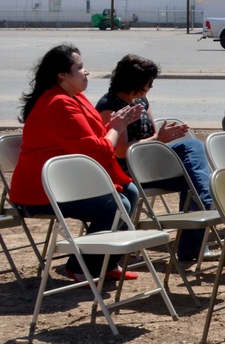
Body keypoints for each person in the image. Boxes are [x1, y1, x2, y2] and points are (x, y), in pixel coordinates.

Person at [10, 43, 143, 282]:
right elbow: (95, 149)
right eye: (80, 67)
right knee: (114, 204)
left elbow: (92, 140)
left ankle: (105, 262)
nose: (87, 72)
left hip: (68, 183)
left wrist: (114, 127)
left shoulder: (73, 97)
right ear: (62, 75)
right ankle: (81, 266)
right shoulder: (58, 103)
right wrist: (117, 127)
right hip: (41, 192)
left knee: (130, 192)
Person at [95, 54, 213, 262]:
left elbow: (152, 137)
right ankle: (206, 204)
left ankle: (193, 240)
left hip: (149, 163)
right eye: (149, 83)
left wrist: (161, 138)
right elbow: (120, 151)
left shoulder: (141, 100)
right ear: (134, 82)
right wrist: (159, 138)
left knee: (193, 153)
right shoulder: (110, 105)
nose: (151, 87)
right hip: (126, 171)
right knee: (195, 177)